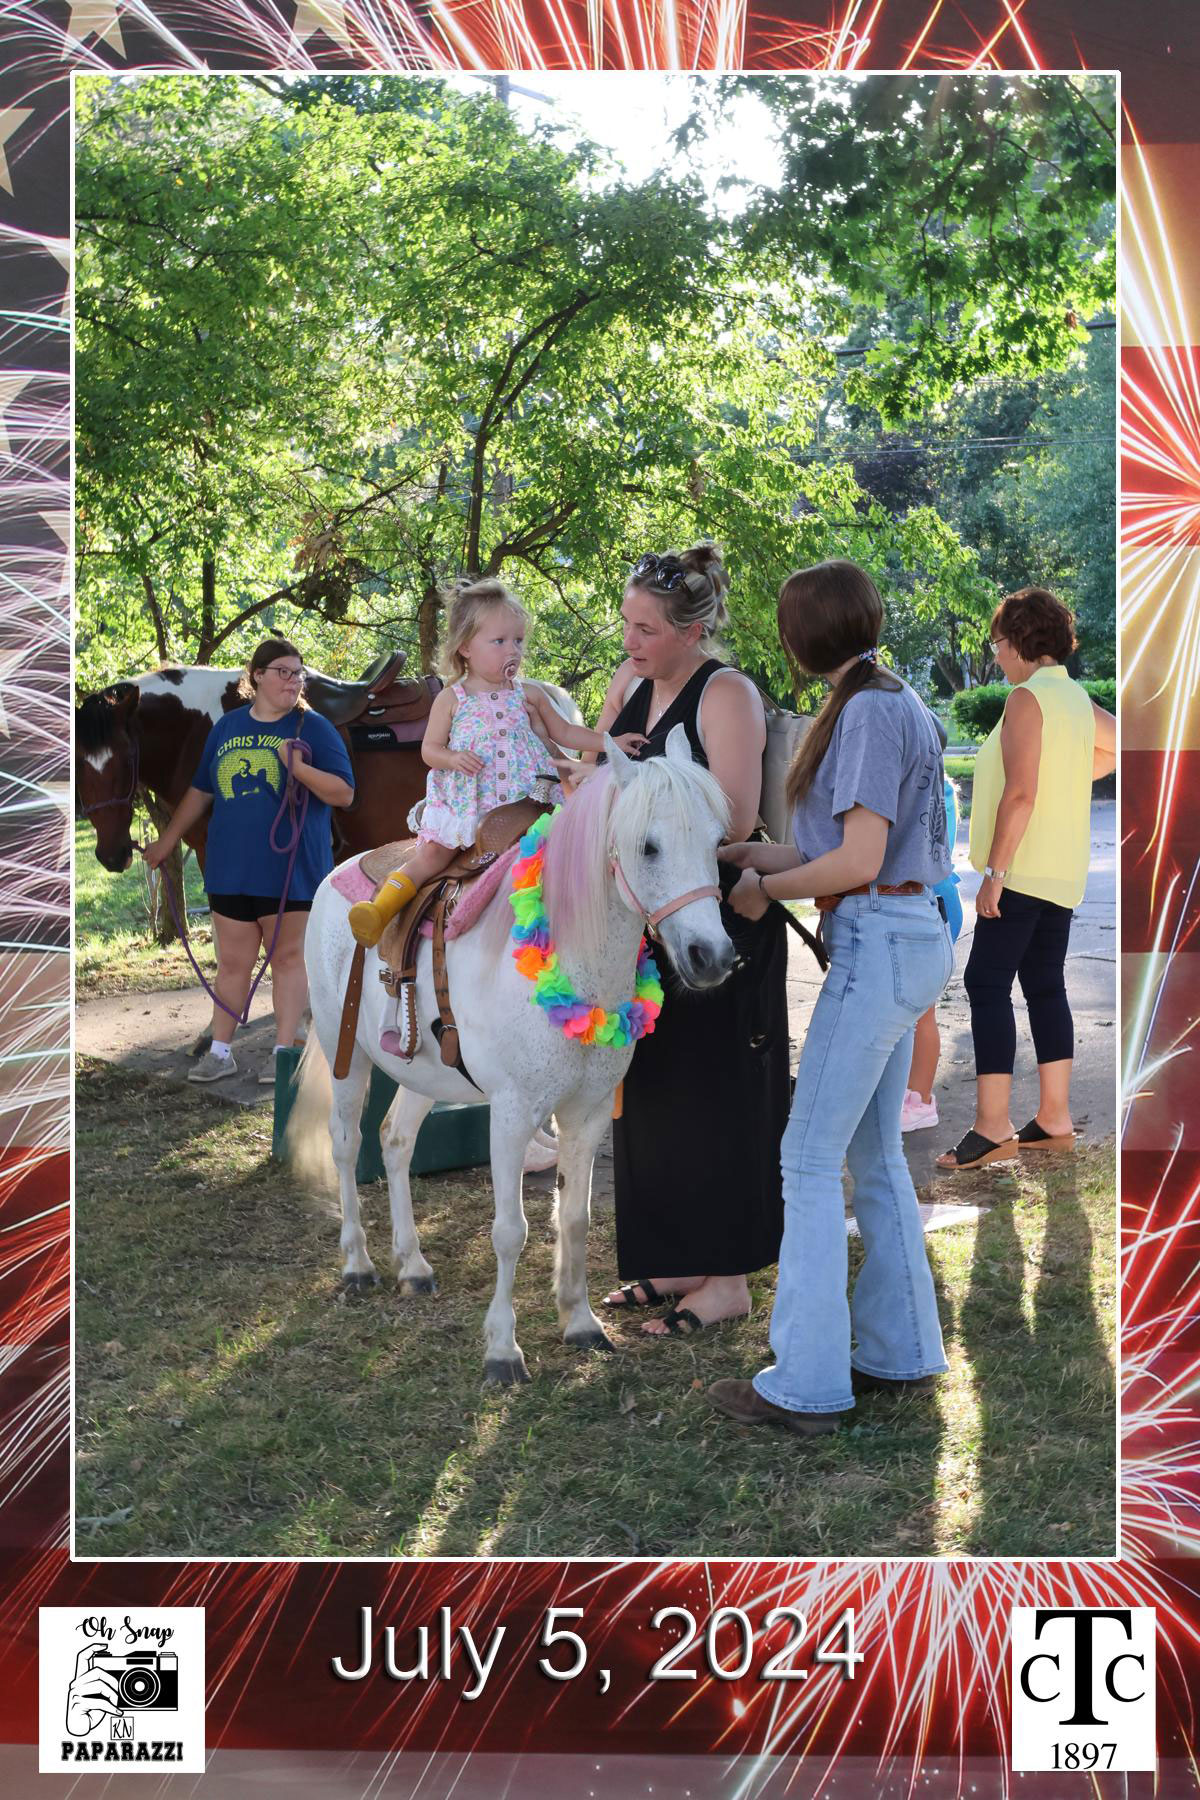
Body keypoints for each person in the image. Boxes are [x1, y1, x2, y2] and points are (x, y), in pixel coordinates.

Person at [706, 558, 953, 1439]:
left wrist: (766, 893)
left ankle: (806, 1384)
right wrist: (755, 860)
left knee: (808, 1159)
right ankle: (900, 1349)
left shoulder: (871, 713)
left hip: (879, 940)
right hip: (898, 933)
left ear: (800, 637)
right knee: (875, 1153)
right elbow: (855, 857)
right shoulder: (889, 698)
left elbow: (854, 865)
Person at [593, 542, 790, 1339]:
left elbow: (737, 819)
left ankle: (729, 1277)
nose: (631, 641)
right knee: (652, 1096)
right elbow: (589, 780)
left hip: (718, 920)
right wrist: (605, 772)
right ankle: (675, 1258)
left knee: (718, 1099)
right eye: (629, 624)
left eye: (645, 628)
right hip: (646, 926)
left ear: (692, 628)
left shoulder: (726, 693)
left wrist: (650, 784)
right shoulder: (629, 684)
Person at [346, 578, 647, 1049]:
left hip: (524, 800)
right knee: (435, 855)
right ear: (465, 647)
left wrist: (611, 744)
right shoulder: (453, 698)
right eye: (499, 640)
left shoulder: (528, 694)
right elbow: (429, 749)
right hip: (472, 801)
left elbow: (567, 732)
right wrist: (451, 759)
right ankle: (382, 908)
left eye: (518, 640)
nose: (513, 649)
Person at [936, 587, 1116, 1170]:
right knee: (1044, 986)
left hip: (1022, 871)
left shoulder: (1025, 700)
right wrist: (1072, 774)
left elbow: (1019, 795)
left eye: (996, 643)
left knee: (987, 984)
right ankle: (1055, 1117)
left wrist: (995, 873)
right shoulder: (1074, 699)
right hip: (1062, 872)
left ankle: (993, 1126)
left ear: (1016, 641)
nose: (996, 656)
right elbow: (1120, 747)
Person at [142, 638, 355, 1084]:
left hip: (291, 870)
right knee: (234, 965)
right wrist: (166, 842)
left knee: (288, 959)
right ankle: (221, 1053)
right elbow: (201, 791)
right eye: (283, 671)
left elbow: (343, 792)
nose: (293, 680)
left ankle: (283, 1053)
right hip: (231, 869)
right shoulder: (227, 727)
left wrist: (298, 770)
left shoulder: (311, 728)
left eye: (298, 672)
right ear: (256, 675)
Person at [900, 775, 963, 1131]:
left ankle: (919, 1100)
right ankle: (912, 1097)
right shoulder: (941, 784)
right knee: (917, 1011)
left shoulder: (923, 785)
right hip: (938, 898)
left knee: (921, 1013)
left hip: (927, 900)